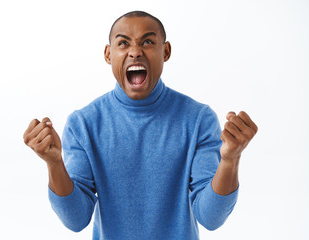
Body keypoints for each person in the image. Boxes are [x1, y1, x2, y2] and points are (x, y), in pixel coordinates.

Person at [23, 11, 258, 239]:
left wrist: (230, 160)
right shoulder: (83, 124)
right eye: (124, 43)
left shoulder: (198, 119)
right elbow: (76, 220)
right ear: (108, 54)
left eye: (147, 42)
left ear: (165, 51)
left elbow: (210, 217)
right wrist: (54, 163)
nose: (135, 52)